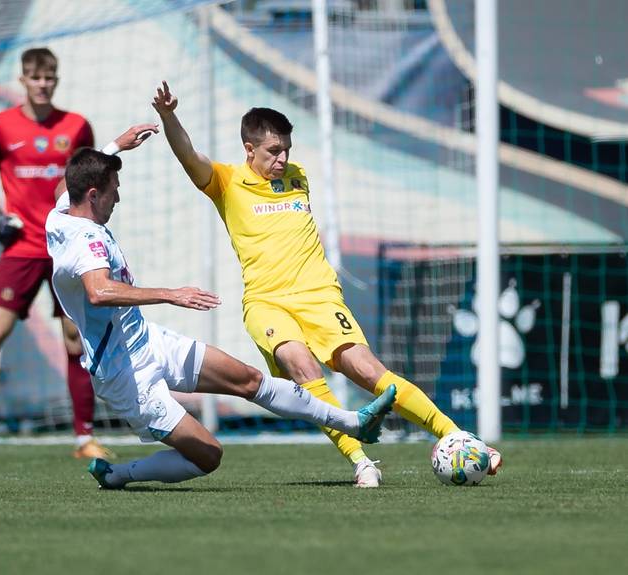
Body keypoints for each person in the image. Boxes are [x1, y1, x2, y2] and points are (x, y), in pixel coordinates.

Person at [151, 81, 502, 487]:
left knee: (371, 373)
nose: (282, 159)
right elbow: (189, 156)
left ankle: (458, 437)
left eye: (286, 151)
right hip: (267, 303)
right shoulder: (227, 182)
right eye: (273, 152)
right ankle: (361, 461)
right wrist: (169, 116)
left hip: (320, 297)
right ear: (249, 150)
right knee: (303, 366)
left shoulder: (298, 177)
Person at [46, 147, 397, 489]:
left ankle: (354, 422)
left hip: (147, 340)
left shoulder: (62, 213)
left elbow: (67, 185)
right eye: (113, 192)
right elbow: (99, 291)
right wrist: (172, 294)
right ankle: (118, 475)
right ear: (93, 195)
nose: (117, 200)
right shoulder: (86, 239)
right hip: (125, 373)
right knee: (209, 455)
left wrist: (116, 146)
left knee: (248, 379)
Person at [0, 47, 156, 459]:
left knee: (74, 339)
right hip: (21, 248)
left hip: (64, 246)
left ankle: (83, 438)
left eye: (49, 78)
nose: (43, 84)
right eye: (35, 77)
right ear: (23, 80)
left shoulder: (75, 126)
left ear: (56, 80)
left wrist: (113, 148)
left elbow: (87, 172)